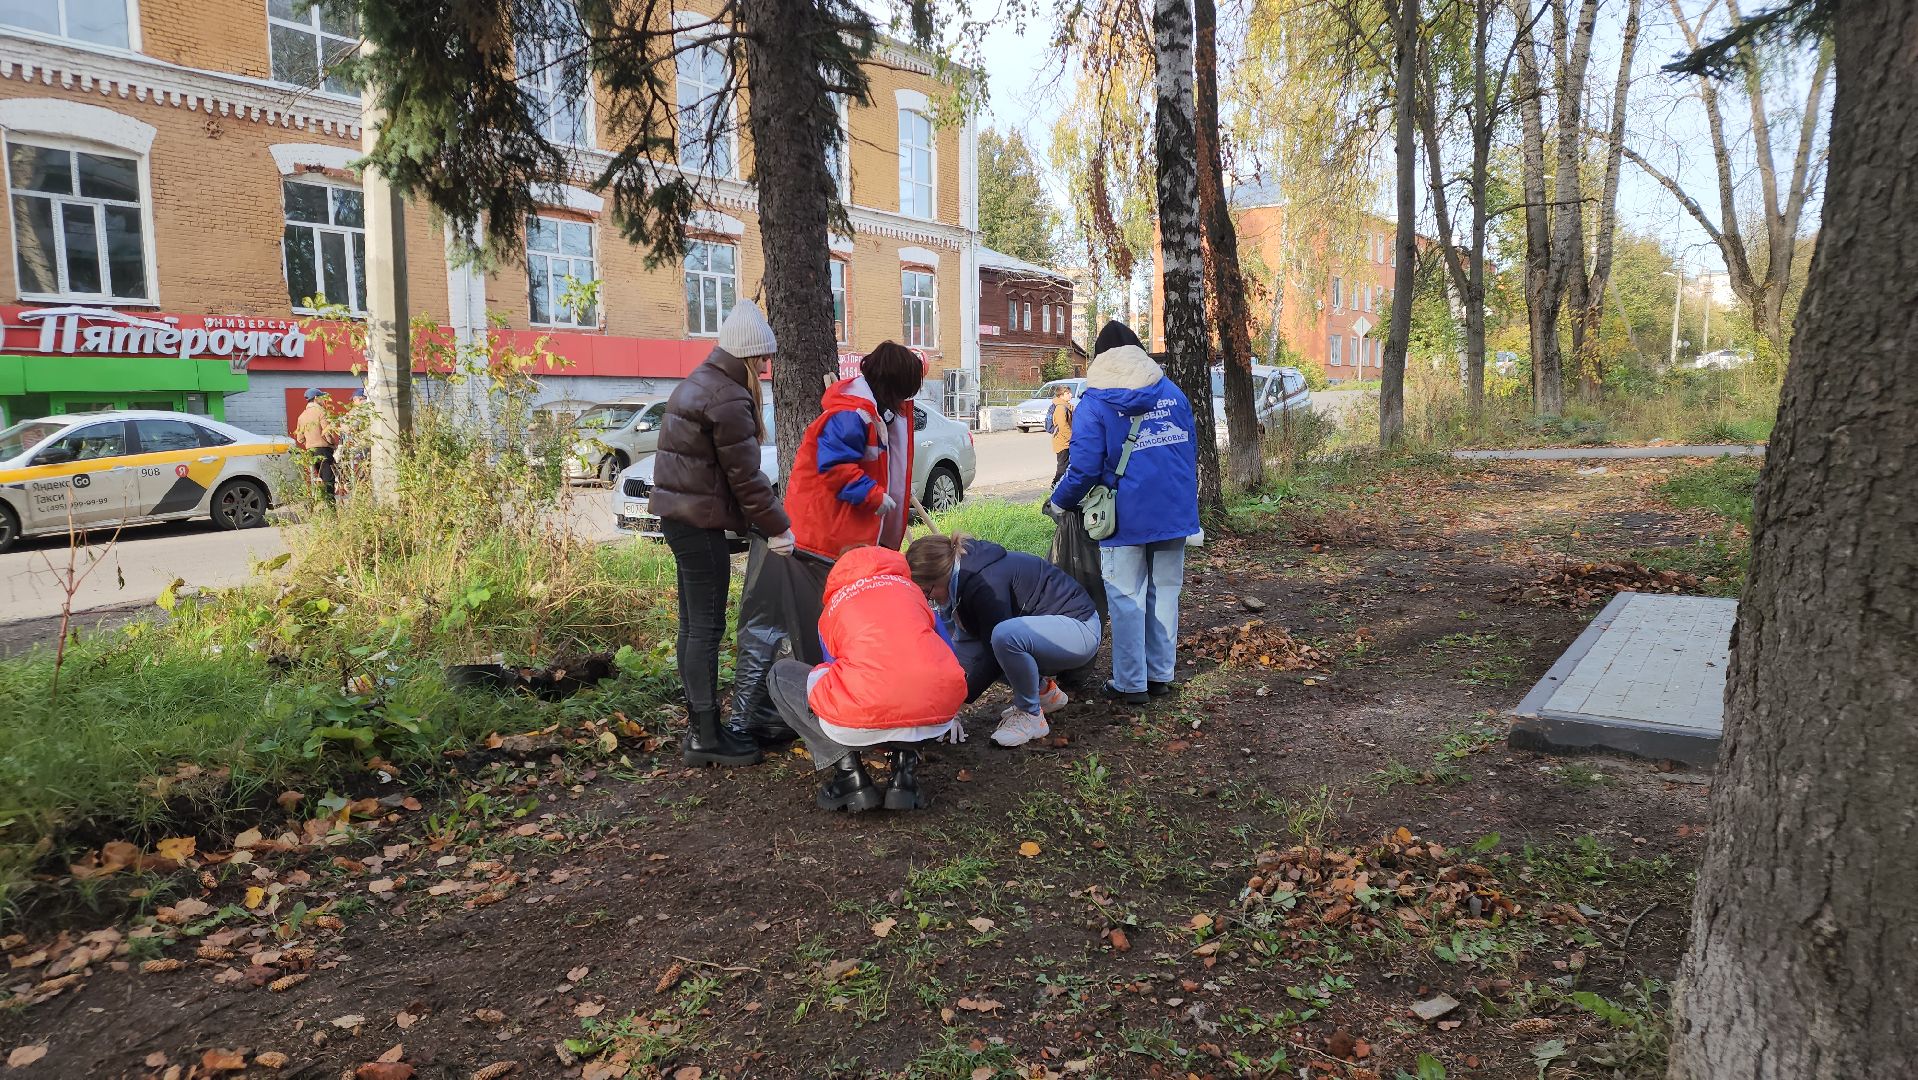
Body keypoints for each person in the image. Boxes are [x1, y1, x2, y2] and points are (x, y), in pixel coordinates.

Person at [649, 300, 796, 768]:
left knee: (692, 626)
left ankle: (700, 729)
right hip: (699, 524)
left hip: (680, 519)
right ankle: (707, 736)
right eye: (764, 360)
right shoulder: (729, 398)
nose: (767, 368)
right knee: (706, 629)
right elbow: (746, 479)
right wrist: (779, 528)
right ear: (750, 358)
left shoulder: (699, 382)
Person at [1049, 321, 1200, 705]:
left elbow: (1081, 468)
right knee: (1165, 592)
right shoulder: (1172, 393)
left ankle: (1131, 683)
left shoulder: (1096, 402)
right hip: (1172, 512)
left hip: (1123, 516)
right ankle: (1161, 674)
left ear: (1099, 358)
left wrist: (1060, 501)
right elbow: (1188, 452)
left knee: (1126, 597)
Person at [765, 545, 968, 812]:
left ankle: (850, 776)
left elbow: (834, 669)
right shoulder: (912, 593)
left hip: (863, 713)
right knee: (914, 678)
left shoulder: (834, 606)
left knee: (781, 675)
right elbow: (949, 653)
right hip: (934, 715)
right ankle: (904, 775)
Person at [906, 531, 1100, 747]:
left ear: (940, 574)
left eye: (927, 591)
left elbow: (993, 654)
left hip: (1080, 630)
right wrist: (947, 708)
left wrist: (959, 700)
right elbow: (959, 653)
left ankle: (1031, 715)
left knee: (1003, 637)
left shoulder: (984, 583)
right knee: (976, 645)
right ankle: (1045, 694)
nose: (928, 598)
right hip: (1056, 633)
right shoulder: (963, 578)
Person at [785, 341, 926, 558]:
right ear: (892, 387)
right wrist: (872, 495)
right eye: (901, 394)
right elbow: (835, 468)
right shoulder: (850, 415)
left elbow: (874, 465)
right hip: (822, 537)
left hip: (836, 533)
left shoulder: (870, 414)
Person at [292, 388, 339, 500]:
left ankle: (318, 505)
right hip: (324, 450)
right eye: (322, 398)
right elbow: (327, 433)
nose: (324, 400)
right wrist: (333, 443)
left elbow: (300, 438)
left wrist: (310, 443)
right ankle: (331, 510)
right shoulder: (321, 412)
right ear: (316, 398)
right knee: (329, 482)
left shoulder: (302, 416)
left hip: (311, 452)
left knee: (317, 481)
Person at [1046, 384, 1075, 484]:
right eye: (1067, 393)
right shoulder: (1060, 408)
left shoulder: (1066, 406)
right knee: (1062, 466)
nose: (1070, 395)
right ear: (1061, 395)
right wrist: (1073, 438)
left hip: (1065, 441)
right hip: (1062, 442)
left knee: (1067, 465)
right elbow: (1063, 427)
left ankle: (1061, 485)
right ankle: (1055, 485)